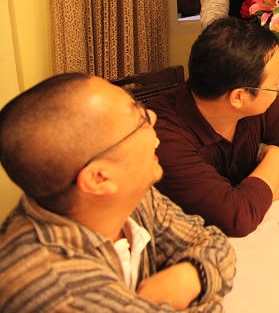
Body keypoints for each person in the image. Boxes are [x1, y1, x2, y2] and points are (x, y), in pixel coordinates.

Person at [0, 73, 235, 312]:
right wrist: (206, 289)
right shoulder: (60, 292)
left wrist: (191, 275)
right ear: (99, 178)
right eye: (139, 119)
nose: (153, 117)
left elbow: (214, 243)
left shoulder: (129, 196)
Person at [150, 18, 279, 237]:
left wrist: (255, 199)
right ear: (238, 97)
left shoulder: (257, 103)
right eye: (275, 83)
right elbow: (237, 218)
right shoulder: (162, 137)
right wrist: (276, 158)